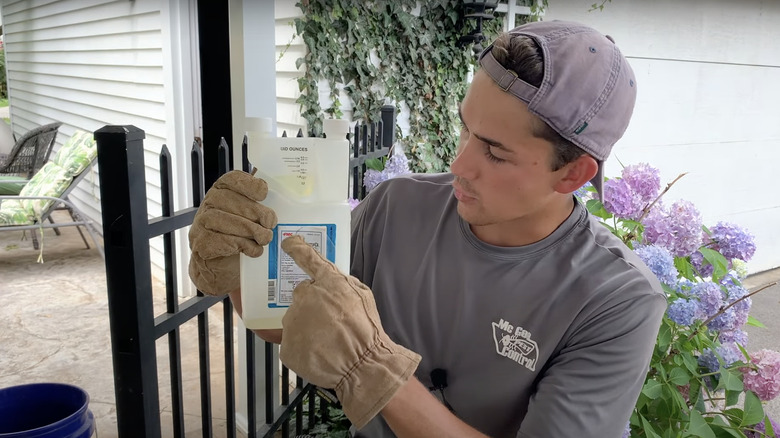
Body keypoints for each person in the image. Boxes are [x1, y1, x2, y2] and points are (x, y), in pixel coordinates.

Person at [188, 20, 666, 438]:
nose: (458, 164)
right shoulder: (397, 206)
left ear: (573, 174)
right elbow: (296, 324)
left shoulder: (617, 300)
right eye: (464, 129)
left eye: (496, 153)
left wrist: (372, 367)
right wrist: (236, 268)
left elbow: (354, 355)